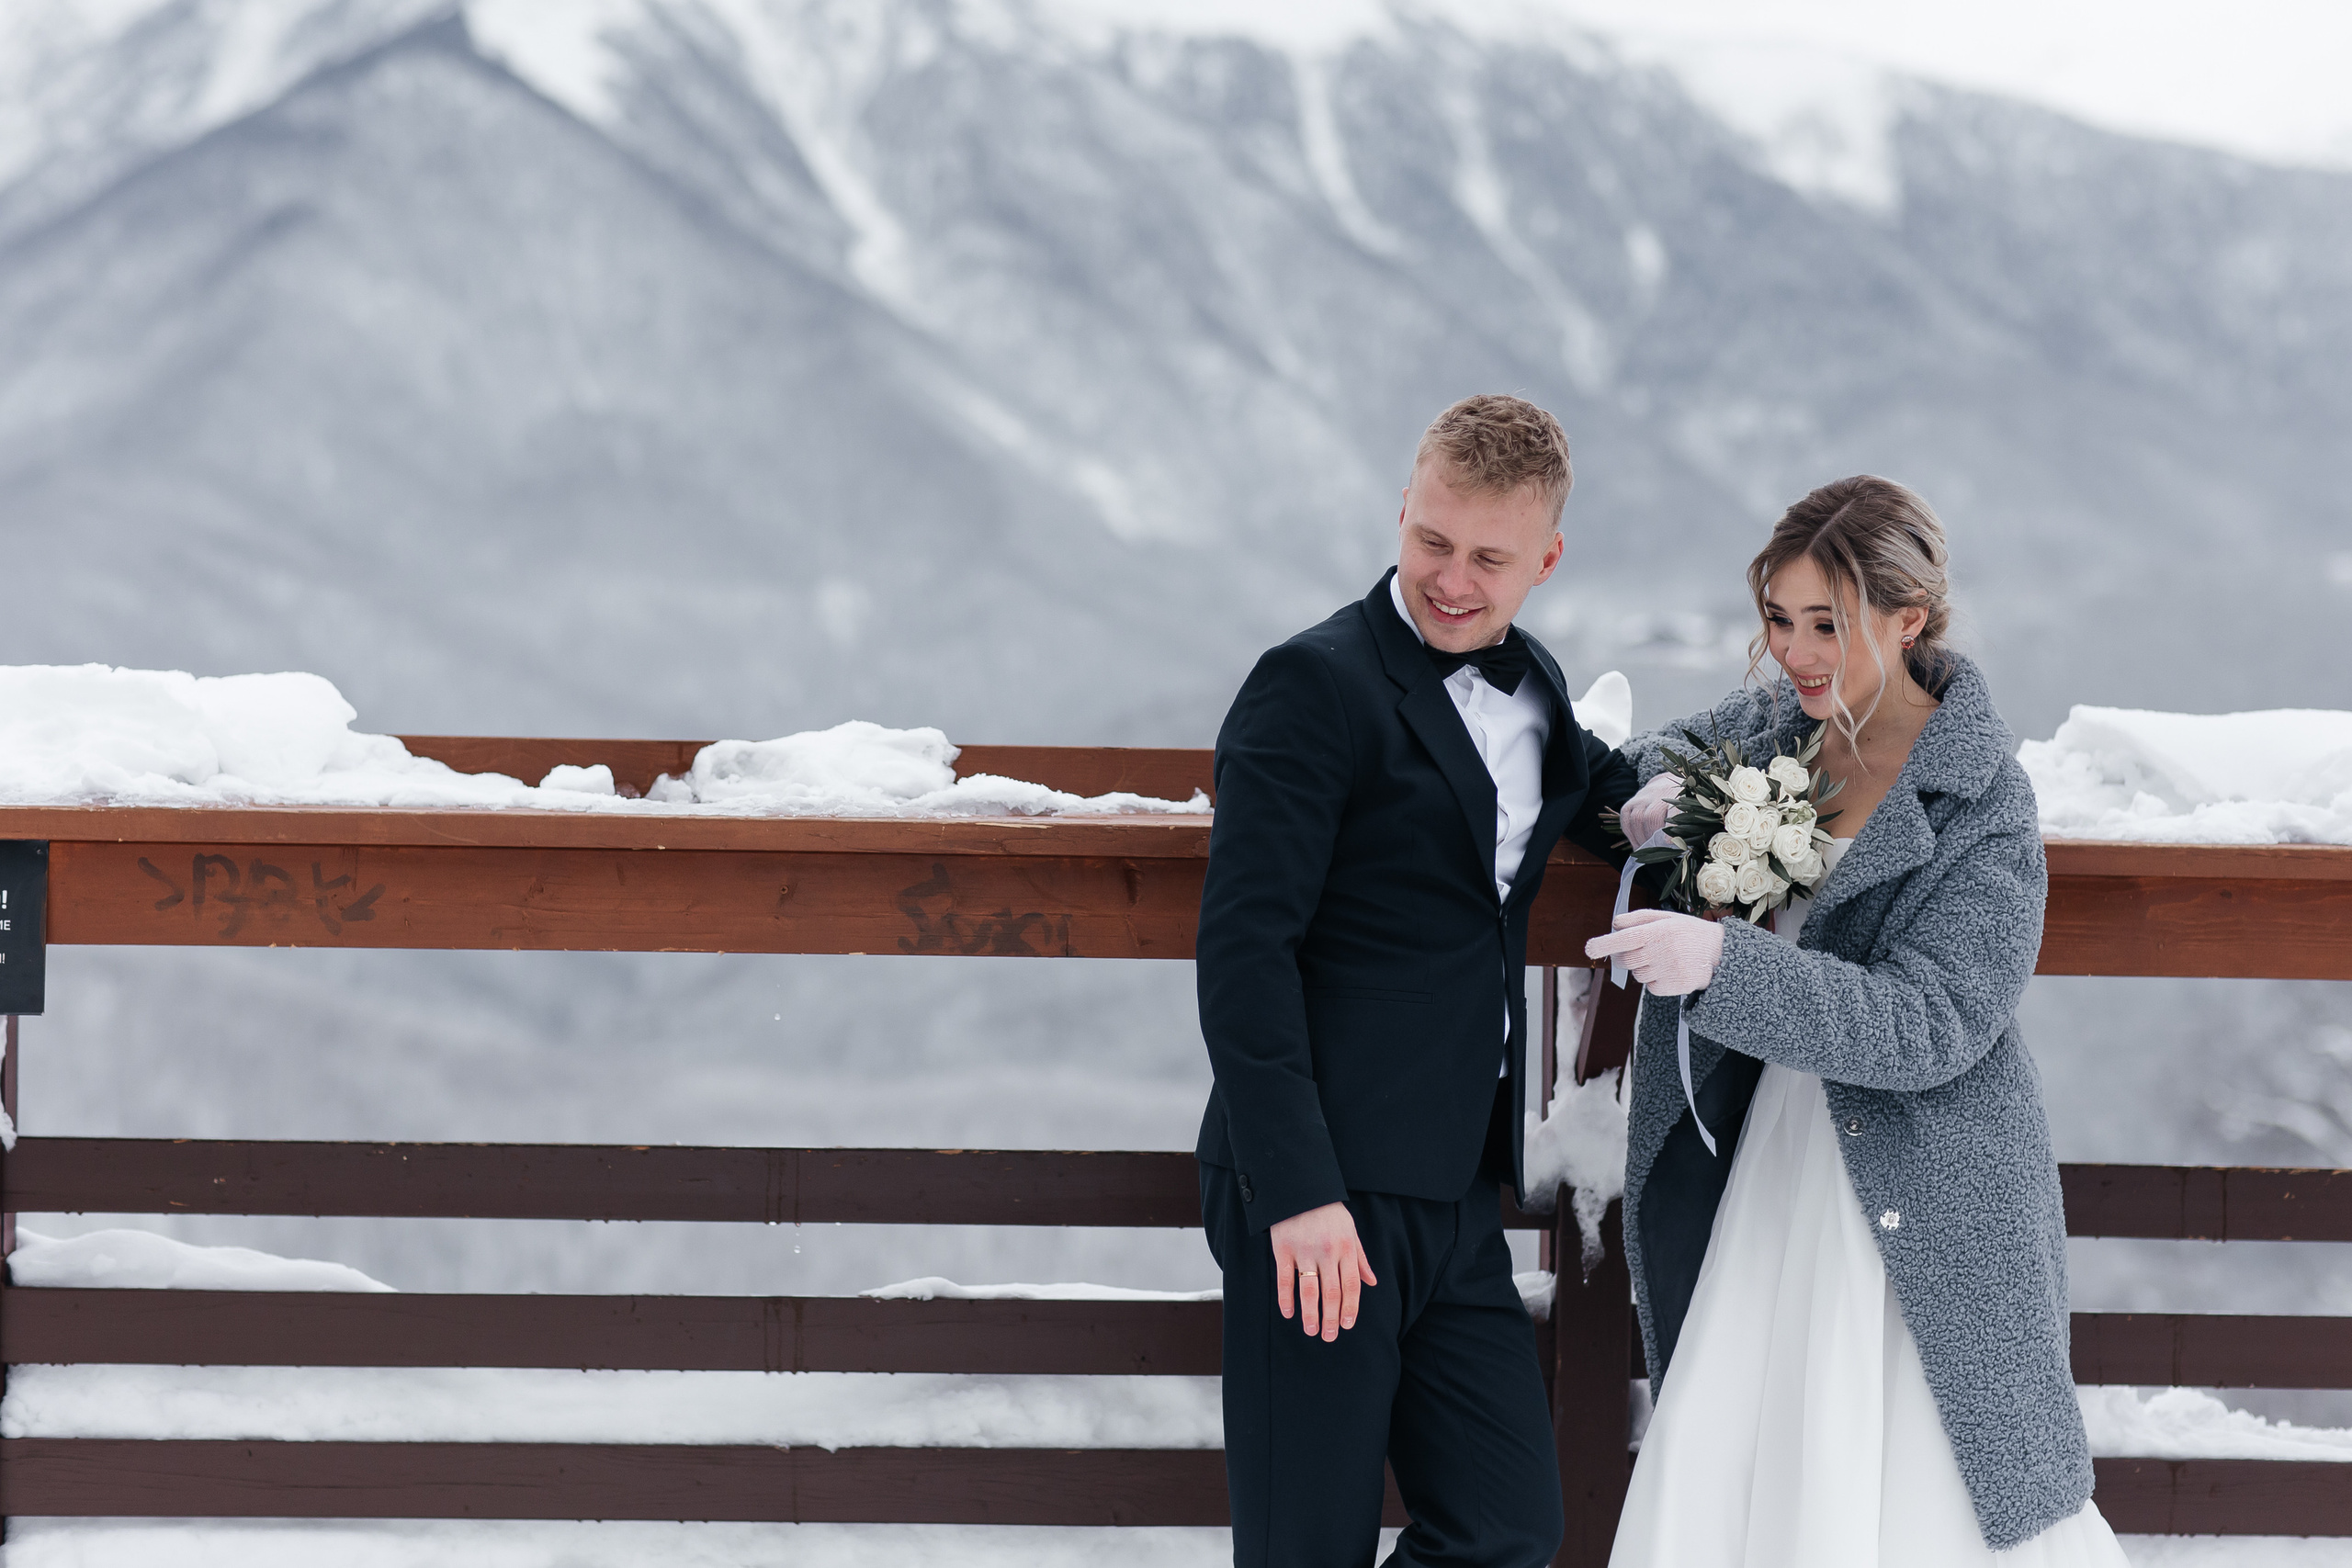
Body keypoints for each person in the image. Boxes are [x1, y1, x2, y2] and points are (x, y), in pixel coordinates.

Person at [1588, 476, 2127, 1565]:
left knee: (1902, 1465)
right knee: (1745, 1450)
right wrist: (1646, 804)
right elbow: (1646, 768)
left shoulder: (1982, 798)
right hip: (1768, 1156)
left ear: (1907, 617)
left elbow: (1936, 1021)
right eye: (1779, 620)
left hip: (1923, 1180)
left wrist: (1723, 963)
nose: (1793, 651)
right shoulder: (1767, 727)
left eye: (1824, 624)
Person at [1194, 393, 1640, 1567]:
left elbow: (1590, 796)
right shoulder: (1310, 688)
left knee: (1506, 1530)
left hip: (1453, 1189)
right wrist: (1297, 1194)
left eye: (1488, 558)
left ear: (1545, 559)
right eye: (1430, 541)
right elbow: (1244, 956)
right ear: (1401, 510)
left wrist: (1737, 829)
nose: (1451, 579)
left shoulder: (1533, 683)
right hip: (1318, 1183)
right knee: (1307, 1547)